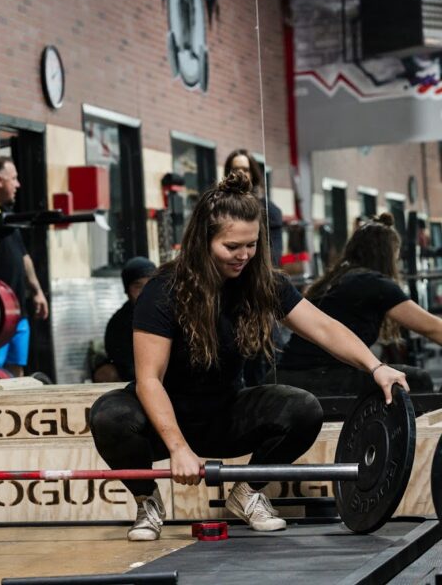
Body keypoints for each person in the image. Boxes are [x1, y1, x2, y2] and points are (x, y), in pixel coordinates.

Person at [89, 171, 408, 542]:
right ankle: (147, 503)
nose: (244, 256)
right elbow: (149, 379)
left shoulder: (263, 283)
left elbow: (323, 329)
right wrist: (177, 447)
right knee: (109, 414)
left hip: (224, 413)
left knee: (302, 409)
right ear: (203, 241)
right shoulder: (164, 291)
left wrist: (376, 366)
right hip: (162, 416)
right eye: (232, 246)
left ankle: (247, 492)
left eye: (252, 245)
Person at [271, 213, 437, 396]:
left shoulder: (338, 277)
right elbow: (432, 328)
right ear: (388, 256)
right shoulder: (375, 283)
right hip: (314, 377)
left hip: (289, 373)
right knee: (418, 380)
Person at [0, 156, 49, 376]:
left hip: (17, 310)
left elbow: (23, 257)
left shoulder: (7, 217)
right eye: (14, 178)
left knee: (16, 371)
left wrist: (37, 292)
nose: (18, 185)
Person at [224, 149, 283, 385]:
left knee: (261, 360)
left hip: (254, 290)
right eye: (235, 169)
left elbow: (273, 256)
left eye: (245, 169)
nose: (240, 174)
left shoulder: (270, 211)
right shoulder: (218, 208)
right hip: (225, 292)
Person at [103, 257, 157, 382]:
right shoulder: (118, 324)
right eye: (138, 286)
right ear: (127, 290)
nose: (145, 292)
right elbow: (124, 364)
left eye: (150, 284)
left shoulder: (172, 312)